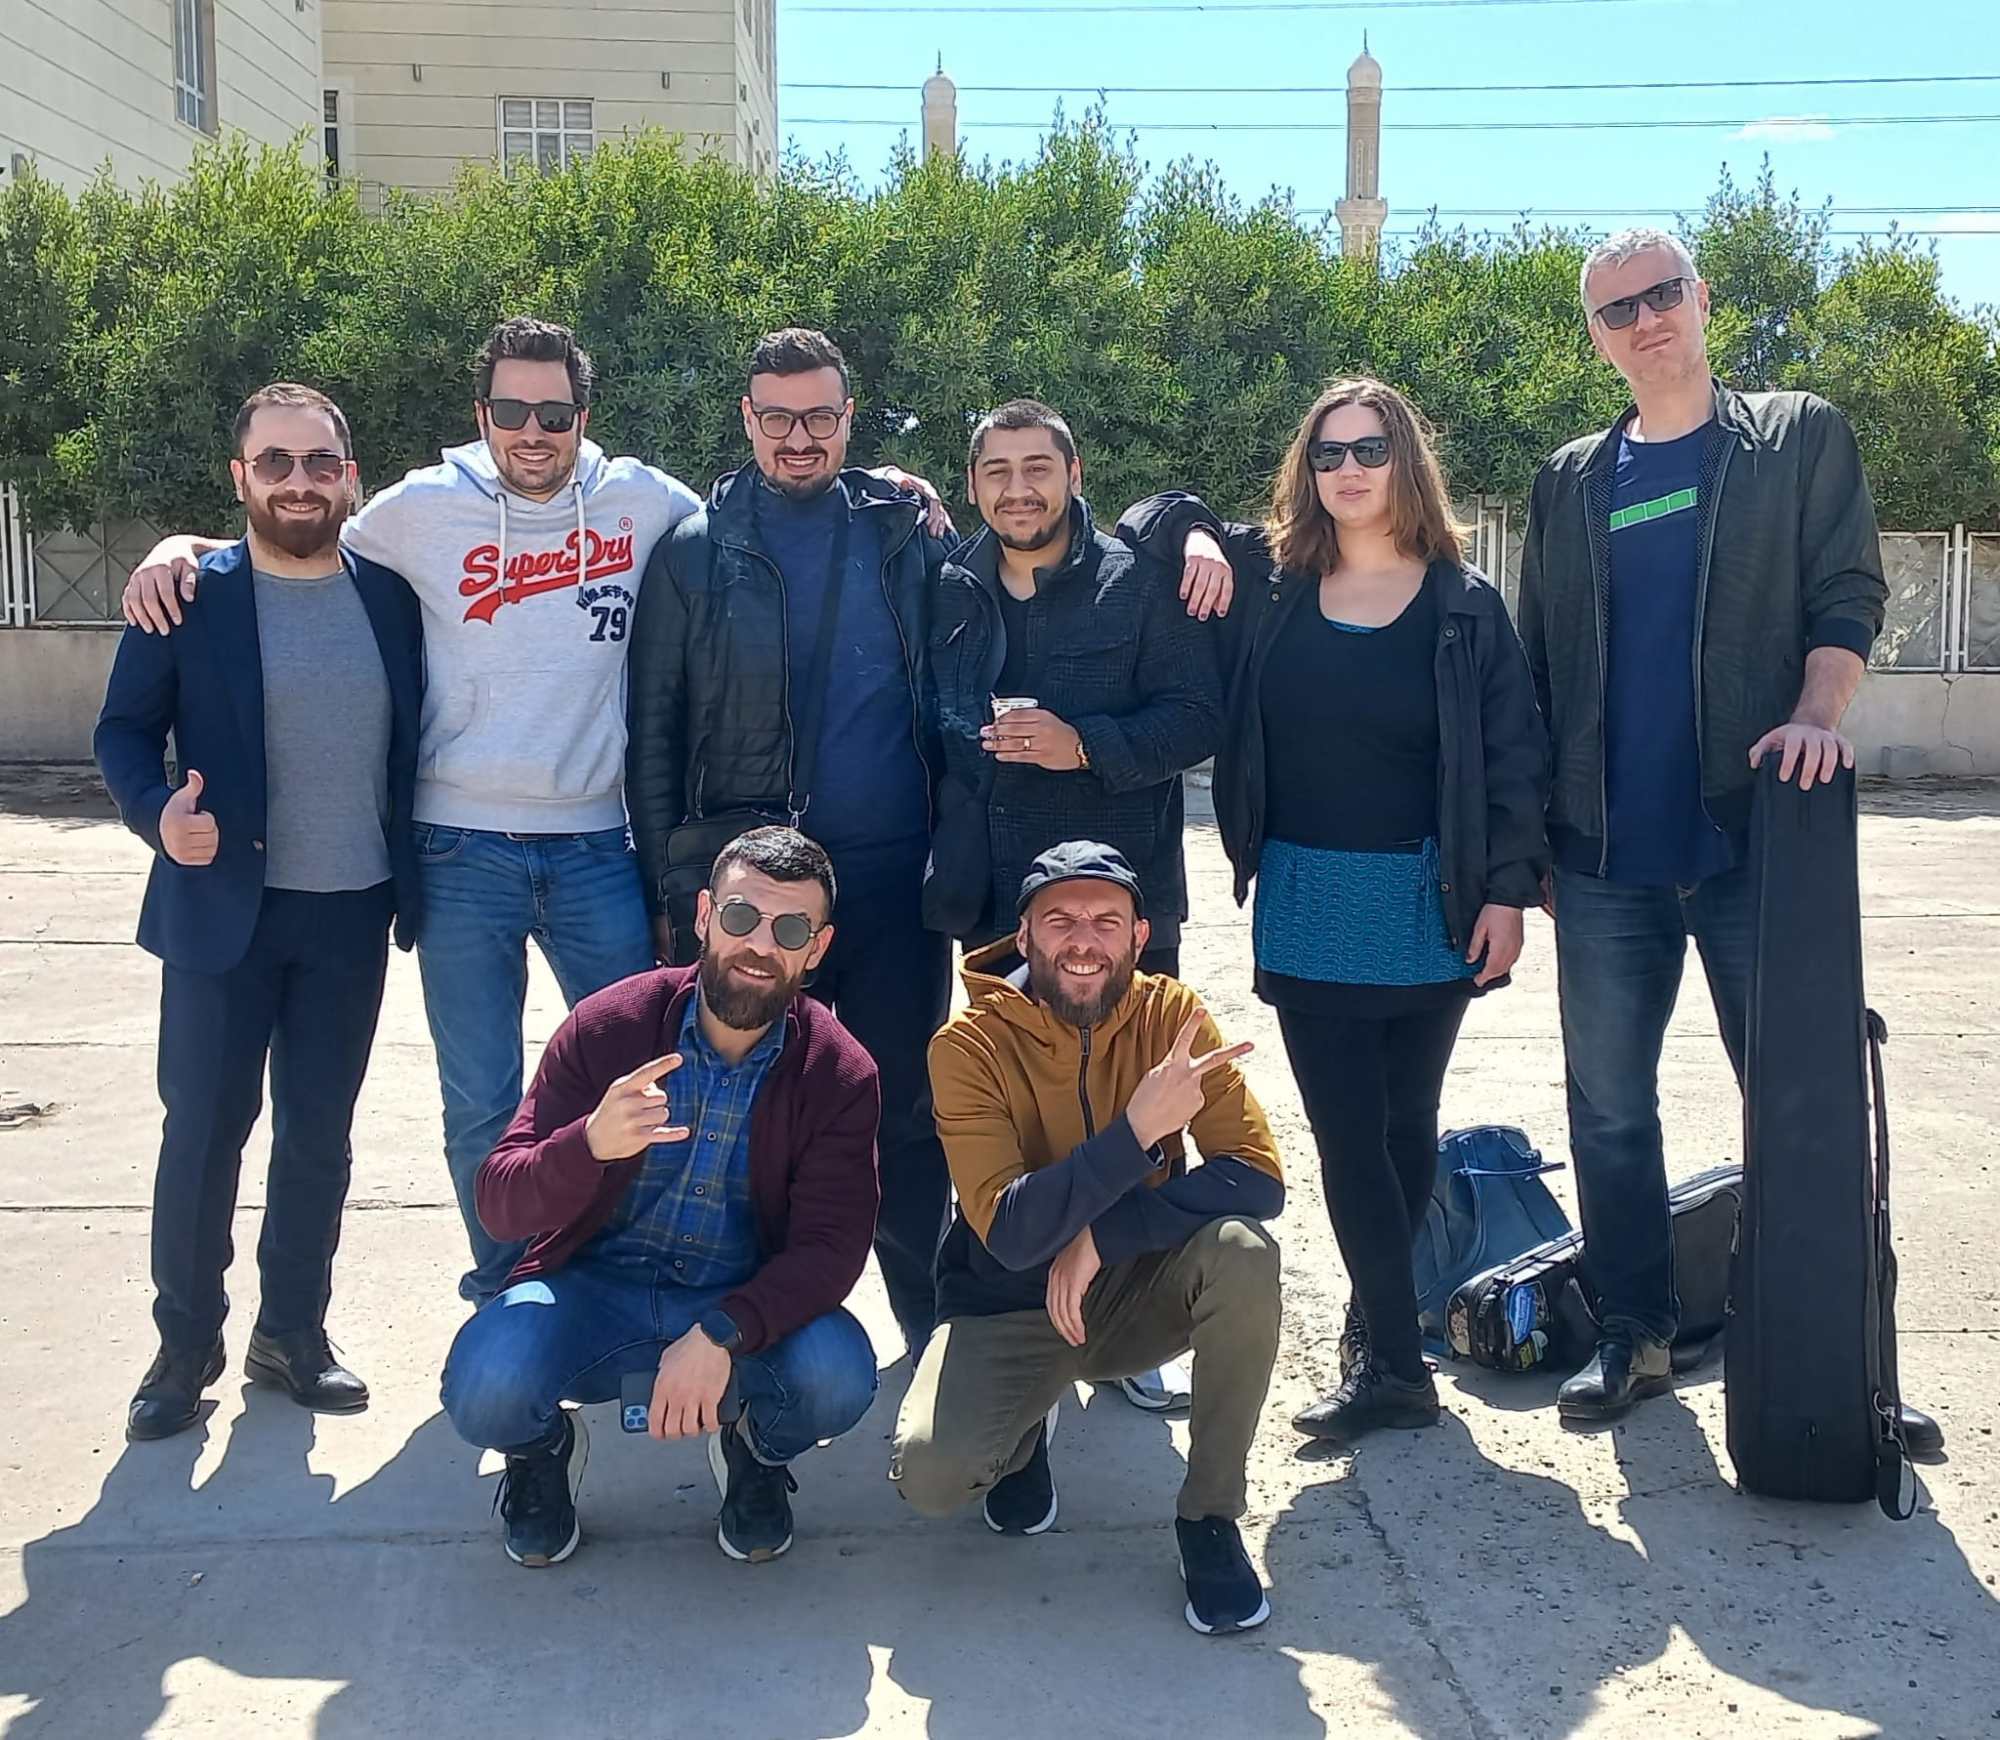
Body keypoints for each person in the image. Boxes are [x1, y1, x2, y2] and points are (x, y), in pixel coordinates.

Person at [117, 319, 946, 1308]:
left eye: (553, 412)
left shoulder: (647, 502)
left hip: (596, 847)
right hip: (459, 848)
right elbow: (296, 532)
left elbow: (767, 502)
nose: (532, 431)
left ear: (582, 417)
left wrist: (890, 483)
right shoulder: (420, 508)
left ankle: (644, 1278)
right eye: (511, 410)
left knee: (658, 1074)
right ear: (482, 416)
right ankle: (509, 1292)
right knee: (481, 1100)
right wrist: (183, 547)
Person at [1517, 228, 1941, 1453]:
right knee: (1608, 1110)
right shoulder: (1568, 480)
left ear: (1701, 300)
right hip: (1602, 856)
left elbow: (1845, 594)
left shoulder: (1794, 437)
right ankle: (1632, 1334)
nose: (1643, 320)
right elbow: (1537, 663)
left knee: (1805, 1103)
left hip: (1755, 840)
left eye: (1660, 295)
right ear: (1594, 337)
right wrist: (1527, 836)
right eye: (1615, 309)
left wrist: (1815, 716)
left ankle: (1850, 1354)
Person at [1120, 378, 1548, 1441]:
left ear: (1406, 460)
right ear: (1304, 472)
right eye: (1326, 454)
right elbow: (1148, 516)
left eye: (1368, 450)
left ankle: (1378, 1332)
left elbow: (1512, 756)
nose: (1347, 470)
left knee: (1405, 1132)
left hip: (1429, 901)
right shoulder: (1271, 582)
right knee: (1349, 1137)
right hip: (1308, 895)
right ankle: (1394, 1364)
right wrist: (1198, 537)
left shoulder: (1462, 603)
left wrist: (1508, 891)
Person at [95, 383, 424, 1440]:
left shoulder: (391, 598)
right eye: (275, 462)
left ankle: (293, 1335)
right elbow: (121, 732)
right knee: (202, 1136)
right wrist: (158, 818)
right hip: (219, 916)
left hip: (351, 914)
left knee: (318, 1140)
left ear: (349, 477)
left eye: (318, 462)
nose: (298, 481)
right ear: (240, 477)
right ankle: (184, 1345)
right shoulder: (189, 597)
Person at [626, 327, 957, 1360]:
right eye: (777, 417)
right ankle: (745, 1331)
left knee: (904, 1110)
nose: (798, 436)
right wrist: (670, 892)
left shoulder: (904, 531)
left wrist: (1183, 529)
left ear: (850, 419)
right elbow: (654, 731)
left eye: (819, 416)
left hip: (894, 882)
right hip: (755, 893)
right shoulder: (693, 550)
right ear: (747, 419)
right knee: (745, 1113)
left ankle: (928, 1325)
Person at [440, 827, 882, 1568]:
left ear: (817, 949)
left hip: (735, 1294)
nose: (759, 945)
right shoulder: (610, 1026)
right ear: (705, 915)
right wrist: (587, 1145)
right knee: (486, 1386)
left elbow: (832, 1252)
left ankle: (755, 1452)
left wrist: (723, 1332)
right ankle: (542, 1454)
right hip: (590, 1291)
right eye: (741, 916)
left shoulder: (838, 1072)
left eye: (790, 930)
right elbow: (499, 1202)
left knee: (838, 1376)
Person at [891, 843, 1286, 1635]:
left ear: (1139, 936)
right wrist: (1137, 1132)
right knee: (932, 1479)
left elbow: (1258, 1178)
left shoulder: (1172, 1018)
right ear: (1024, 935)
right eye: (1060, 920)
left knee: (1244, 1255)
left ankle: (1208, 1517)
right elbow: (1010, 1231)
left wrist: (1107, 1233)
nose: (1083, 940)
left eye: (1106, 922)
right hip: (1009, 1301)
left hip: (1137, 1288)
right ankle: (1024, 1430)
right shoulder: (966, 1045)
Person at [927, 397, 1226, 1411]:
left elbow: (1197, 717)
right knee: (1011, 1111)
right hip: (995, 903)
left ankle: (1133, 1322)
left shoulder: (1137, 582)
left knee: (1141, 1111)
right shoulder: (949, 585)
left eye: (1036, 468)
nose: (1018, 489)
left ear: (1073, 473)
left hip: (1120, 902)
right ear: (973, 486)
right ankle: (1014, 1312)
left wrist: (1083, 744)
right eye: (997, 471)